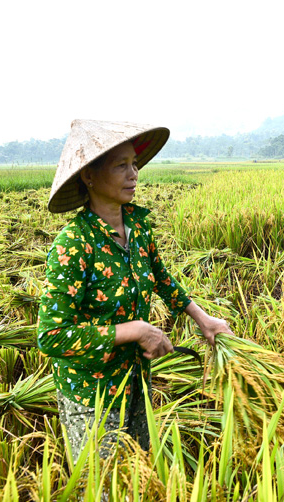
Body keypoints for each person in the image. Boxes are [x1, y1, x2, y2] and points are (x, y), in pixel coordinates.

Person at [37, 119, 232, 462]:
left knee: (137, 478)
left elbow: (160, 276)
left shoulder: (137, 227)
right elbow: (52, 336)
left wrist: (203, 318)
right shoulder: (75, 243)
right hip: (92, 394)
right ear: (89, 176)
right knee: (101, 490)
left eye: (135, 164)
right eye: (121, 165)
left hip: (136, 382)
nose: (134, 174)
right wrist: (136, 330)